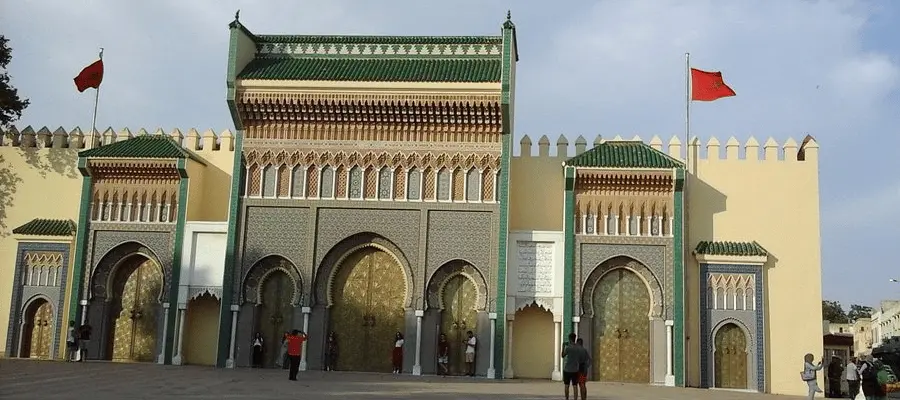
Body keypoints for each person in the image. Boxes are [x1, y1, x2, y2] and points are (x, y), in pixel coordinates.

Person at [561, 333, 590, 400]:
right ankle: (575, 398)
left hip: (567, 369)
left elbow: (562, 355)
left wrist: (563, 346)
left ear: (570, 339)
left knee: (566, 385)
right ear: (575, 338)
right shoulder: (578, 348)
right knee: (575, 386)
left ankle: (567, 398)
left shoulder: (568, 348)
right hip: (575, 370)